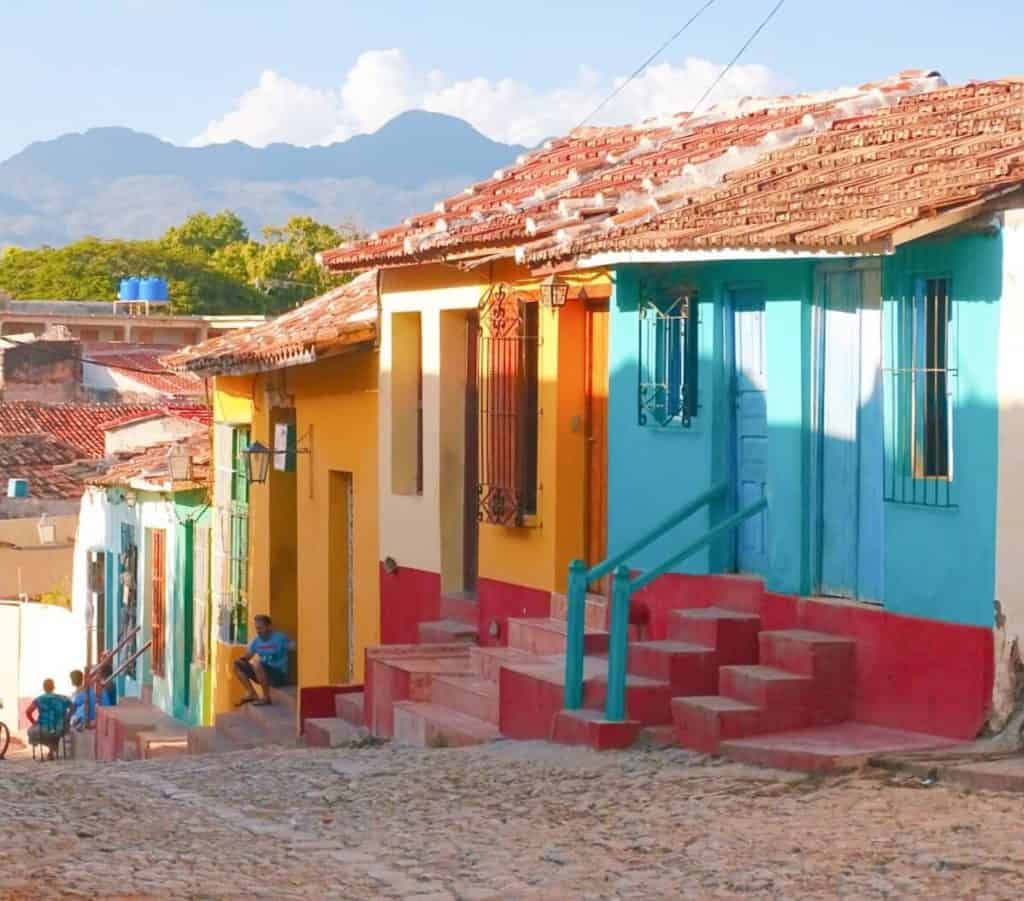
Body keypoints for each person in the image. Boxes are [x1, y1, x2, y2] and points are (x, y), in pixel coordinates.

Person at [233, 615, 292, 706]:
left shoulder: (280, 638)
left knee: (256, 663)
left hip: (279, 675)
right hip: (262, 674)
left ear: (269, 627)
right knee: (237, 664)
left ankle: (266, 698)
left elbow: (295, 647)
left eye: (261, 628)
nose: (258, 631)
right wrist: (242, 659)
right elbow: (247, 656)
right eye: (257, 628)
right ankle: (252, 693)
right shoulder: (256, 641)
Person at [26, 679, 72, 761]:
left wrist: (34, 722)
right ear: (54, 687)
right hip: (60, 729)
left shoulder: (39, 699)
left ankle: (51, 749)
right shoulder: (63, 698)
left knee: (31, 731)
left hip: (43, 730)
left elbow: (28, 711)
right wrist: (68, 718)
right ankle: (52, 749)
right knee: (56, 731)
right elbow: (72, 707)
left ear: (43, 688)